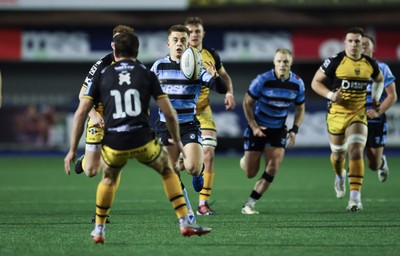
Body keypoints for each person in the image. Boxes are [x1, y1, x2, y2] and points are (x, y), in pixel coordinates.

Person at [64, 32, 211, 244]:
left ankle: (98, 230)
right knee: (168, 171)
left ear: (115, 51)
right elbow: (169, 113)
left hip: (114, 142)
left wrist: (70, 150)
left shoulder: (103, 74)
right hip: (142, 140)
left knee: (108, 178)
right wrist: (178, 141)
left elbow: (80, 113)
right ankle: (185, 222)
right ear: (137, 51)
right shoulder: (146, 73)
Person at [150, 25, 227, 220]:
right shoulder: (158, 66)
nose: (179, 44)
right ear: (168, 43)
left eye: (183, 41)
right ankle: (187, 210)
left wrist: (216, 77)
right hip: (164, 126)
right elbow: (145, 90)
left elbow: (220, 88)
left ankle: (197, 173)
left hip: (188, 125)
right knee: (171, 170)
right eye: (175, 40)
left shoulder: (196, 67)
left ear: (188, 43)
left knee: (192, 166)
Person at [311, 27, 384, 212]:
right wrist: (330, 95)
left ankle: (355, 198)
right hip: (336, 115)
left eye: (357, 41)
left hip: (357, 114)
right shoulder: (335, 61)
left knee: (357, 151)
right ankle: (339, 175)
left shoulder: (370, 64)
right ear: (345, 43)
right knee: (338, 157)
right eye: (350, 41)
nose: (353, 45)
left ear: (362, 44)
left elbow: (379, 79)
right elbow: (315, 82)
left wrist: (376, 97)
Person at [74, 25, 134, 223]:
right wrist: (93, 115)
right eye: (117, 41)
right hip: (98, 118)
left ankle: (103, 211)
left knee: (113, 168)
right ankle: (84, 161)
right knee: (91, 171)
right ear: (112, 44)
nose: (120, 45)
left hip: (119, 122)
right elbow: (82, 95)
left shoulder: (136, 67)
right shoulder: (101, 65)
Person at [240, 48, 305, 215]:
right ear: (274, 63)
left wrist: (294, 129)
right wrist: (254, 126)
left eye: (286, 62)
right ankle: (245, 161)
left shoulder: (297, 83)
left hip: (278, 130)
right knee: (250, 172)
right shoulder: (262, 80)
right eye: (279, 61)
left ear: (291, 63)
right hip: (259, 128)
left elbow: (300, 108)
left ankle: (249, 203)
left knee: (273, 167)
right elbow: (246, 103)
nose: (282, 64)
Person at [184, 16, 236, 216]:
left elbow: (225, 77)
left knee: (209, 155)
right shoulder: (179, 55)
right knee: (181, 164)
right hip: (182, 113)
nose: (194, 35)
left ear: (203, 33)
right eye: (190, 32)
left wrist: (229, 92)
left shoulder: (211, 55)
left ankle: (202, 204)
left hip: (203, 111)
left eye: (197, 31)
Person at [362, 35, 397, 182]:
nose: (362, 46)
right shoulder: (347, 68)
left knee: (373, 164)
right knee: (353, 152)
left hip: (375, 120)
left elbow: (392, 96)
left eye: (366, 44)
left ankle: (381, 162)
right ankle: (354, 194)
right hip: (355, 118)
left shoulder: (382, 68)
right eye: (360, 43)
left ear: (373, 47)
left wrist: (378, 111)